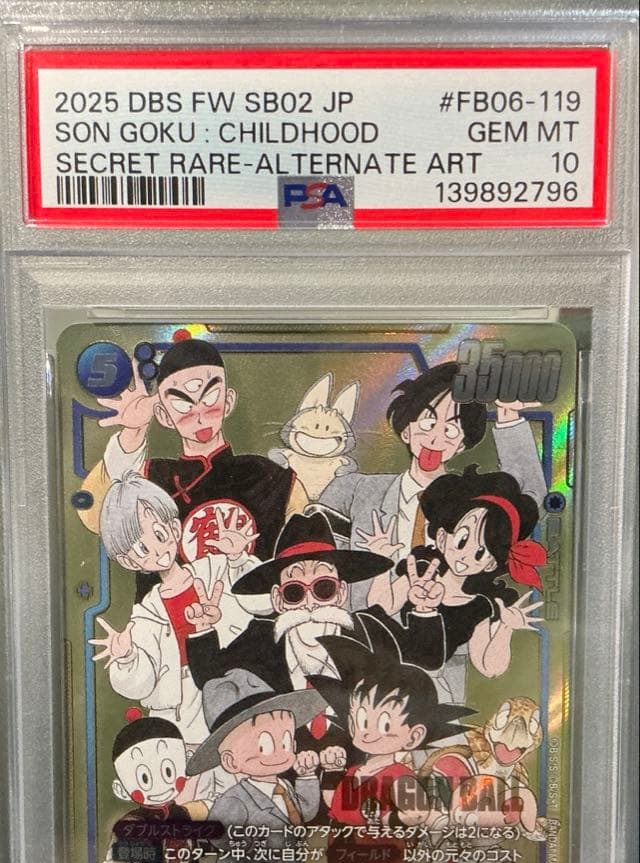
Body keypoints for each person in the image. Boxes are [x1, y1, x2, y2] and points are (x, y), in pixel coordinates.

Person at [185, 512, 453, 811]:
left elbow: (426, 659)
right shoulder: (261, 637)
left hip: (365, 789)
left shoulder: (367, 630)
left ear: (341, 592)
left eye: (323, 588)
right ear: (278, 599)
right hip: (284, 795)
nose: (310, 603)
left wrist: (425, 610)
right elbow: (210, 678)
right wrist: (202, 629)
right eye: (295, 592)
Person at [315, 361, 547, 698]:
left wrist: (509, 418)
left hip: (441, 669)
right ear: (406, 429)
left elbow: (529, 503)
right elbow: (315, 552)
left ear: (463, 444)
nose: (436, 437)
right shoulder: (356, 491)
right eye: (427, 421)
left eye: (451, 429)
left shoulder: (474, 506)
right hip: (362, 654)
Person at [76, 336, 309, 598]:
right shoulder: (151, 477)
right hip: (168, 617)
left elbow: (308, 547)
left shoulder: (269, 476)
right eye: (182, 403)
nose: (199, 414)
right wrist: (133, 433)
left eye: (210, 397)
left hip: (256, 615)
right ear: (163, 415)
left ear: (228, 401)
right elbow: (93, 513)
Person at [91, 471, 268, 803]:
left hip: (229, 684)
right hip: (180, 705)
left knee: (239, 770)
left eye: (159, 534)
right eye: (140, 548)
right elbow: (141, 683)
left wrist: (237, 560)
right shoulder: (146, 612)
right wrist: (127, 657)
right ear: (129, 560)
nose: (156, 550)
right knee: (189, 784)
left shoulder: (215, 569)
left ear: (175, 529)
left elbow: (260, 602)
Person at [309, 618, 474, 863]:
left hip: (383, 851)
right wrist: (330, 773)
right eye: (360, 720)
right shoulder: (353, 771)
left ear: (414, 735)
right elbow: (333, 804)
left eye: (383, 723)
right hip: (344, 847)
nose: (367, 732)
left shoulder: (399, 775)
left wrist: (393, 819)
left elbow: (416, 812)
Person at [185, 670, 324, 863]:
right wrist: (249, 844)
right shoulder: (235, 798)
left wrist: (307, 778)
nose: (279, 753)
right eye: (264, 746)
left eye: (286, 741)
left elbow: (305, 813)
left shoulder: (285, 786)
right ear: (230, 761)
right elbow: (218, 835)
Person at [369, 466, 547, 683]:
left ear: (491, 563)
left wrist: (506, 628)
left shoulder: (479, 606)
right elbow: (380, 606)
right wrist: (380, 562)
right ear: (442, 537)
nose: (465, 556)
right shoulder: (423, 572)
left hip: (426, 684)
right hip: (382, 667)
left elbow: (489, 668)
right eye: (462, 540)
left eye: (481, 553)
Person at [106, 711, 207, 863]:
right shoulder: (133, 821)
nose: (160, 785)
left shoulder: (181, 813)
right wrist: (121, 861)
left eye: (169, 771)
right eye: (144, 778)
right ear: (121, 789)